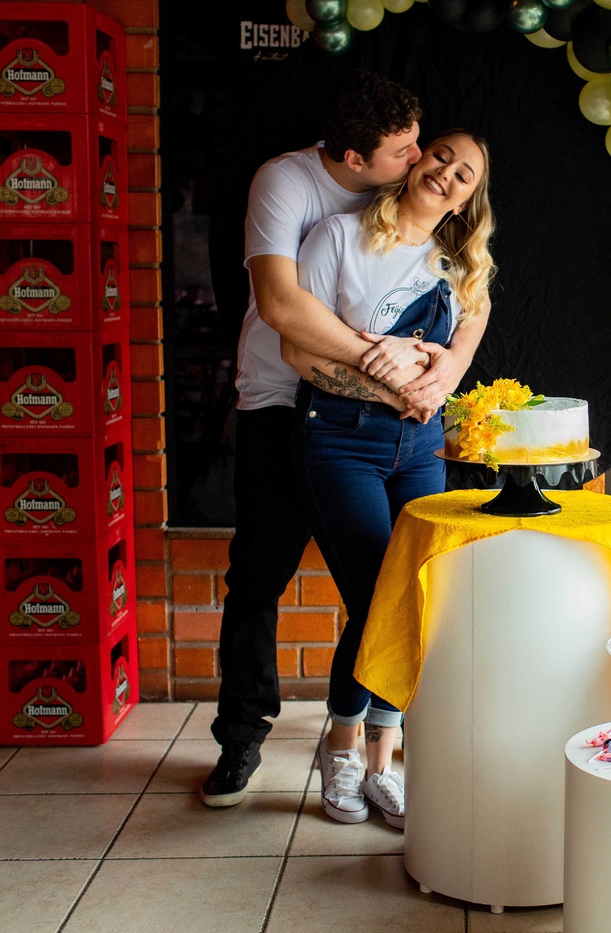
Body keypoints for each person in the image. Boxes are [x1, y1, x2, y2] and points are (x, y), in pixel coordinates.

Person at [201, 71, 440, 807]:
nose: (420, 159)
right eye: (404, 150)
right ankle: (241, 738)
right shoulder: (287, 182)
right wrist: (382, 363)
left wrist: (438, 369)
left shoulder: (409, 191)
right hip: (280, 403)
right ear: (354, 159)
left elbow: (470, 286)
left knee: (383, 588)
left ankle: (369, 740)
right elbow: (281, 304)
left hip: (375, 420)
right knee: (259, 576)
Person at [281, 131, 495, 827]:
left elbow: (470, 329)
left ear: (468, 199)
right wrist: (391, 381)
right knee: (378, 596)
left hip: (421, 447)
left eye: (465, 175)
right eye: (442, 157)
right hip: (339, 438)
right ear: (415, 159)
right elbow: (297, 351)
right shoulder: (338, 238)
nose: (447, 175)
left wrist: (446, 369)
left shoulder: (460, 263)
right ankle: (341, 749)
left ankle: (382, 764)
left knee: (415, 596)